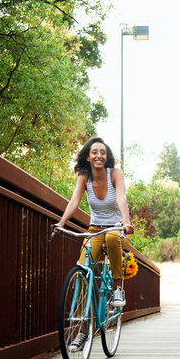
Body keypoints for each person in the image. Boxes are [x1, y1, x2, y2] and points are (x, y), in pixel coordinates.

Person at [55, 137, 134, 342]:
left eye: (102, 152)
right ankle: (82, 332)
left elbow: (121, 198)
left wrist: (126, 222)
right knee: (83, 270)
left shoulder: (114, 174)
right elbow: (74, 200)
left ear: (106, 156)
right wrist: (61, 223)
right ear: (88, 157)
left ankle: (117, 289)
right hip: (94, 228)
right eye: (94, 152)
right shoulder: (84, 177)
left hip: (116, 228)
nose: (99, 156)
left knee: (111, 237)